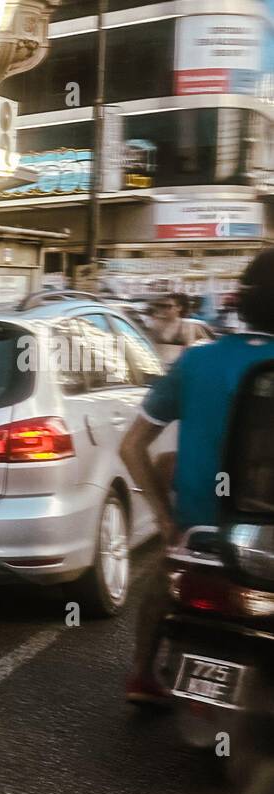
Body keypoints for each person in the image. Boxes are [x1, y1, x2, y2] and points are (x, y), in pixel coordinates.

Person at [119, 250, 274, 704]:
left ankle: (142, 672)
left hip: (198, 530)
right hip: (263, 536)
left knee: (166, 569)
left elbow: (131, 446)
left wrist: (165, 521)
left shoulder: (195, 361)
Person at [147, 292, 210, 366]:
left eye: (168, 306)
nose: (164, 309)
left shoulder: (186, 326)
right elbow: (149, 345)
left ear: (179, 308)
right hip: (157, 364)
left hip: (177, 365)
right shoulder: (155, 325)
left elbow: (189, 349)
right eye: (161, 306)